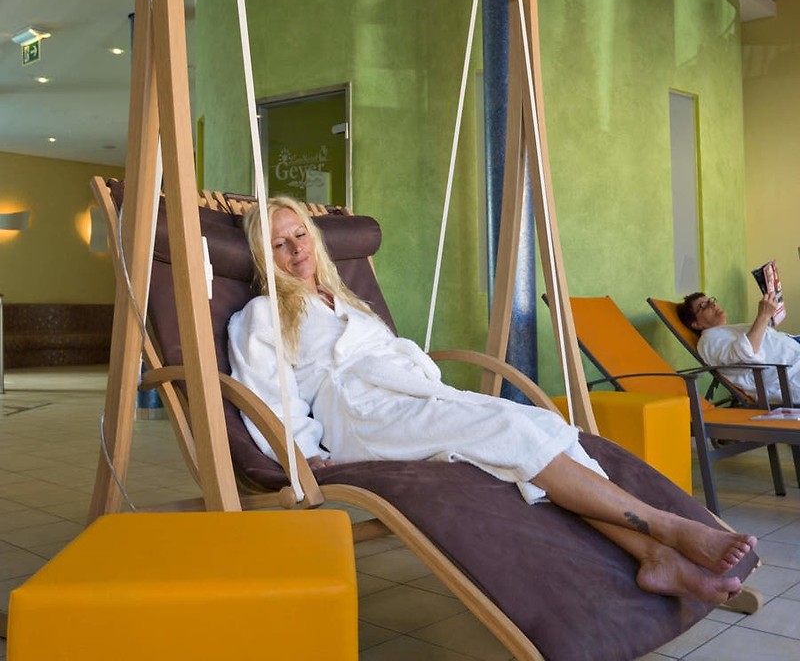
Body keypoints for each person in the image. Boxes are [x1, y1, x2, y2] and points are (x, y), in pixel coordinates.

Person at [228, 196, 756, 605]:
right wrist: (302, 453)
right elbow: (267, 392)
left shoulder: (345, 300)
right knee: (514, 430)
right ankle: (667, 526)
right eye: (279, 244)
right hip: (362, 416)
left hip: (411, 398)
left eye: (300, 234)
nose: (296, 248)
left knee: (534, 427)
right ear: (264, 257)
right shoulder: (261, 315)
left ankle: (654, 556)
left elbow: (390, 355)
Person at [677, 291, 800, 405]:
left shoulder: (727, 331)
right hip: (791, 375)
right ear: (696, 324)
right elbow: (744, 358)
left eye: (711, 300)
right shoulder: (708, 342)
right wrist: (763, 316)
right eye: (704, 305)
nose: (713, 304)